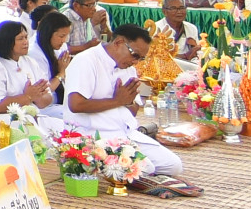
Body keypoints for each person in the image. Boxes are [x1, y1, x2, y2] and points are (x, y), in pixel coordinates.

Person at [63, 24, 189, 182]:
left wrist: (127, 101)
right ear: (118, 43)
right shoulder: (86, 60)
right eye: (135, 55)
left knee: (174, 165)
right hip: (92, 135)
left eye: (141, 58)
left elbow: (132, 109)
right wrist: (117, 101)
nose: (136, 62)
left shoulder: (128, 67)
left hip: (125, 133)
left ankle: (120, 173)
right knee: (145, 168)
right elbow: (75, 105)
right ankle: (112, 171)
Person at [0, 21, 61, 149]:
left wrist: (38, 97)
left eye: (26, 37)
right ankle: (53, 150)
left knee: (61, 125)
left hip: (29, 116)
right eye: (20, 39)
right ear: (7, 41)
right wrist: (28, 97)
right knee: (27, 125)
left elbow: (45, 100)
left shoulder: (29, 62)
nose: (26, 42)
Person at [155, 0, 205, 70]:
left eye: (182, 8)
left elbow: (195, 54)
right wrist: (185, 56)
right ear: (164, 11)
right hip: (164, 68)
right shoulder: (157, 28)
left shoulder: (191, 28)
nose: (179, 12)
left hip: (188, 67)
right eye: (173, 8)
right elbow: (156, 56)